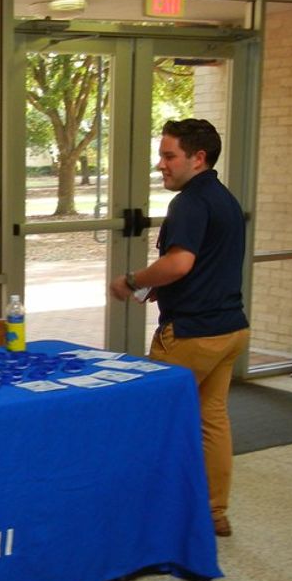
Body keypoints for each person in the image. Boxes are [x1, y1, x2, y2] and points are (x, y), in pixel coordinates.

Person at [109, 119, 250, 537]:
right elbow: (205, 264)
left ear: (198, 158)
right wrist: (161, 287)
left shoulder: (189, 203)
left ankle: (146, 515)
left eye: (169, 156)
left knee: (152, 418)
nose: (161, 165)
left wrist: (133, 280)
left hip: (192, 334)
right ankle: (213, 512)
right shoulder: (224, 199)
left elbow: (180, 263)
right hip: (230, 329)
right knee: (211, 420)